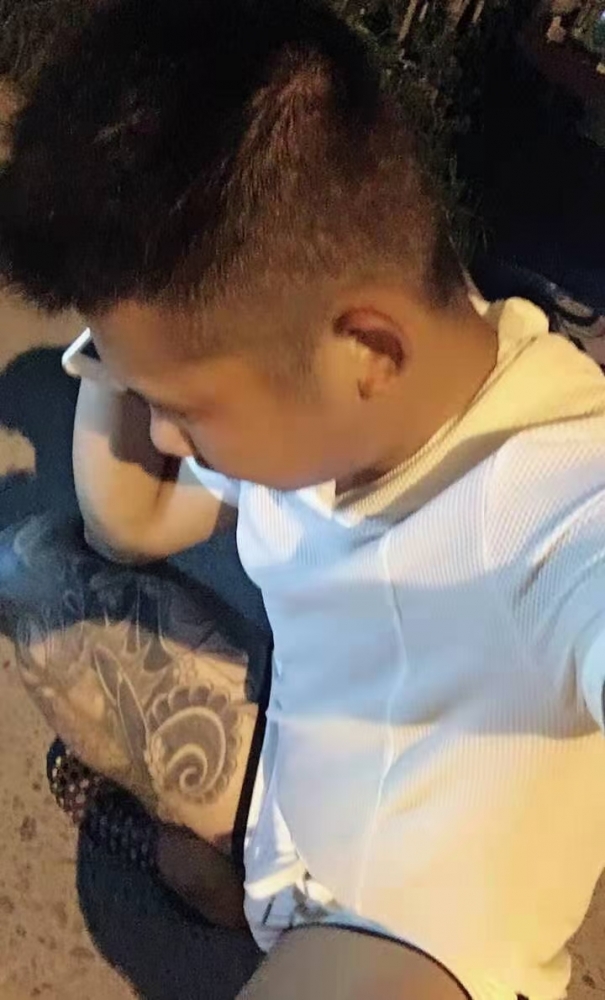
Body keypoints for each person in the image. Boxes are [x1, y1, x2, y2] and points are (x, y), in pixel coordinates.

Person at [1, 0, 605, 997]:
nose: (163, 438)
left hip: (412, 945)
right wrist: (125, 320)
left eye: (182, 408)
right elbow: (131, 519)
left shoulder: (550, 493)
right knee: (39, 580)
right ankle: (229, 885)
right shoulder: (332, 399)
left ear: (365, 350)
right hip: (297, 815)